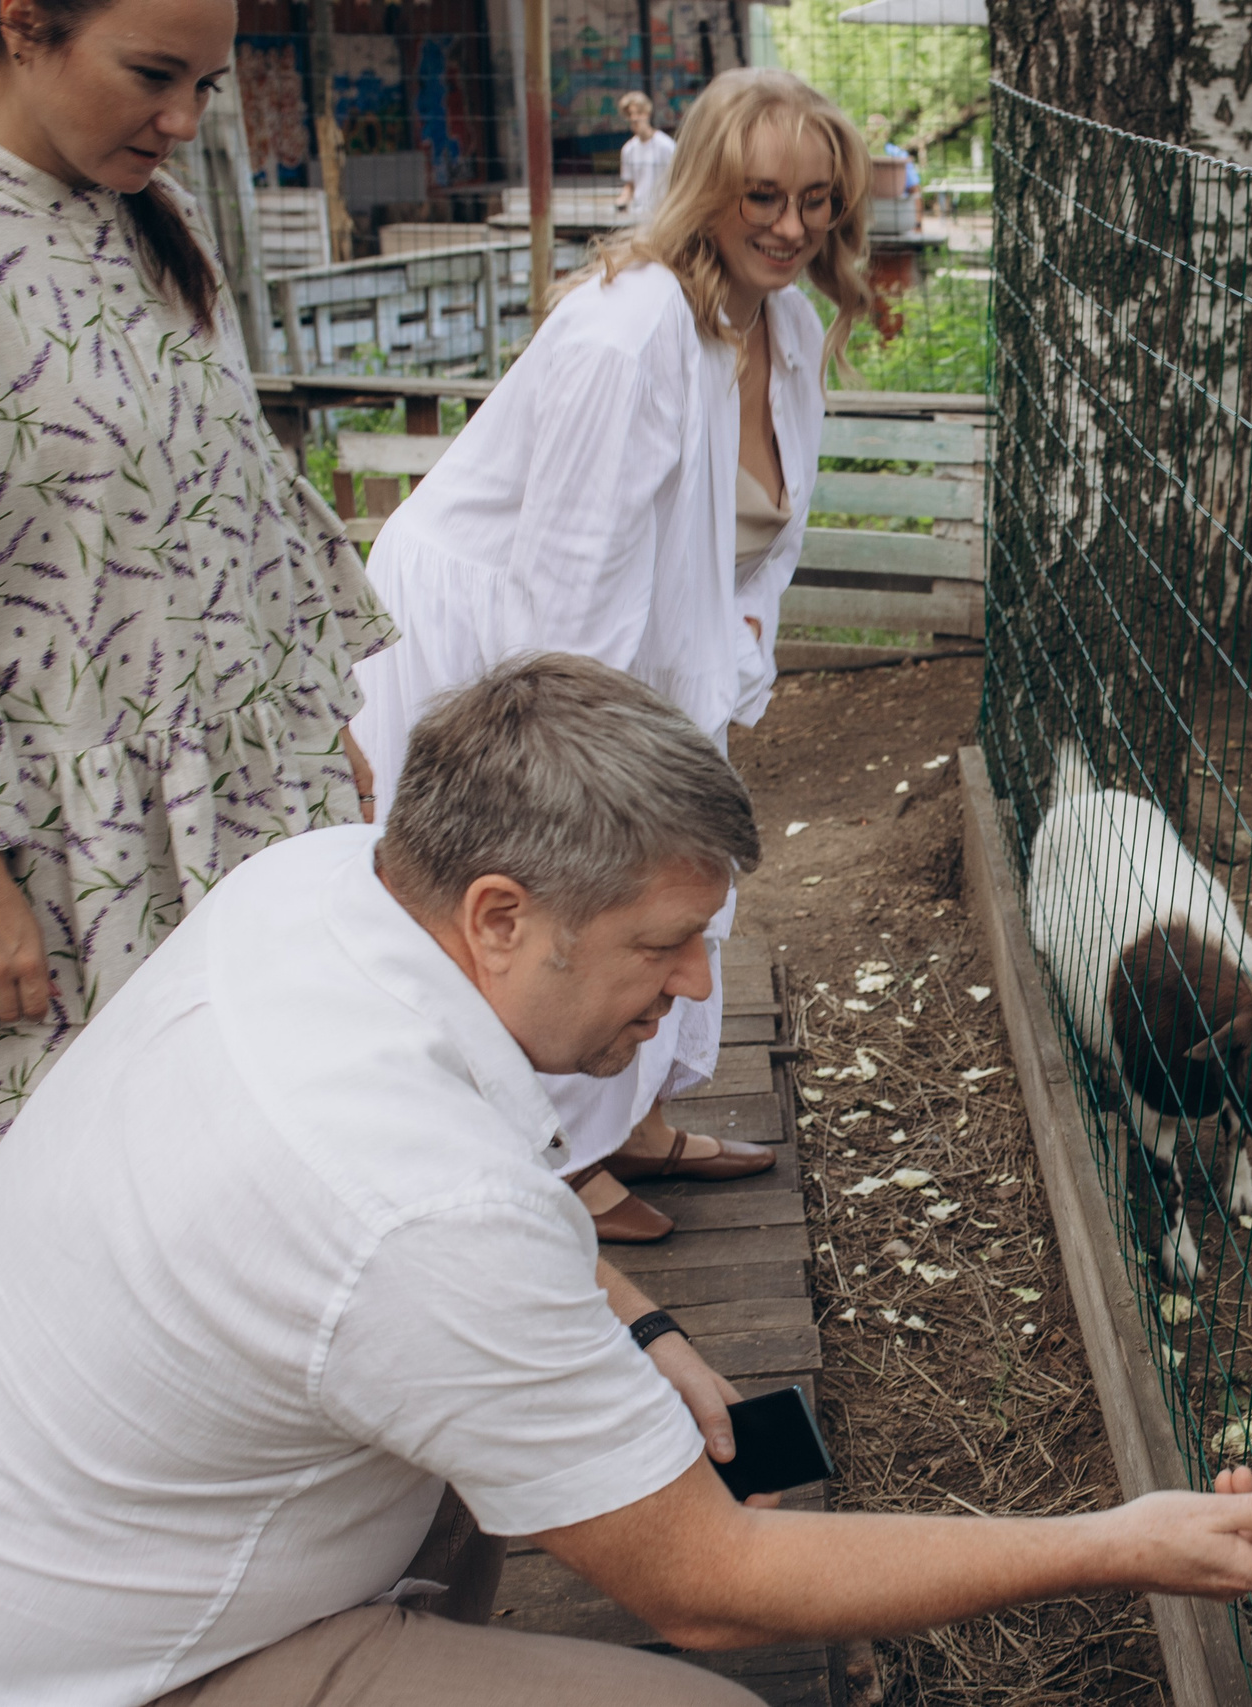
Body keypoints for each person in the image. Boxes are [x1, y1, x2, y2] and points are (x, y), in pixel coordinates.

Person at [0, 654, 1252, 1707]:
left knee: (486, 1487)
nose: (697, 983)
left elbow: (467, 1192)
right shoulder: (418, 1209)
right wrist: (1109, 1540)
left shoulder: (327, 885)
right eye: (666, 942)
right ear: (502, 915)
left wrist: (639, 1324)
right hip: (67, 1668)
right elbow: (706, 1584)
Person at [0, 0, 392, 1223]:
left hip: (236, 798)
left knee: (244, 1172)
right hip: (53, 845)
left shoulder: (157, 218)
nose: (183, 121)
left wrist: (315, 714)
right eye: (152, 75)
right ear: (23, 27)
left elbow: (241, 495)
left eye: (208, 86)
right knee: (69, 1210)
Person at [348, 67, 870, 1240]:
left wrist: (727, 668)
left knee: (658, 882)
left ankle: (623, 1122)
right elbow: (567, 590)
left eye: (820, 201)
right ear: (703, 191)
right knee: (554, 888)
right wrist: (601, 765)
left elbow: (759, 554)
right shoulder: (626, 334)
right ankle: (553, 1158)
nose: (793, 228)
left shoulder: (780, 324)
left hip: (641, 633)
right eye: (763, 197)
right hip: (498, 639)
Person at [615, 88, 676, 218]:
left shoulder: (666, 146)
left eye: (638, 113)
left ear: (647, 113)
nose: (634, 118)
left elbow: (678, 180)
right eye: (630, 114)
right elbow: (630, 185)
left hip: (663, 215)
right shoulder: (628, 149)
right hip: (638, 215)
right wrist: (622, 200)